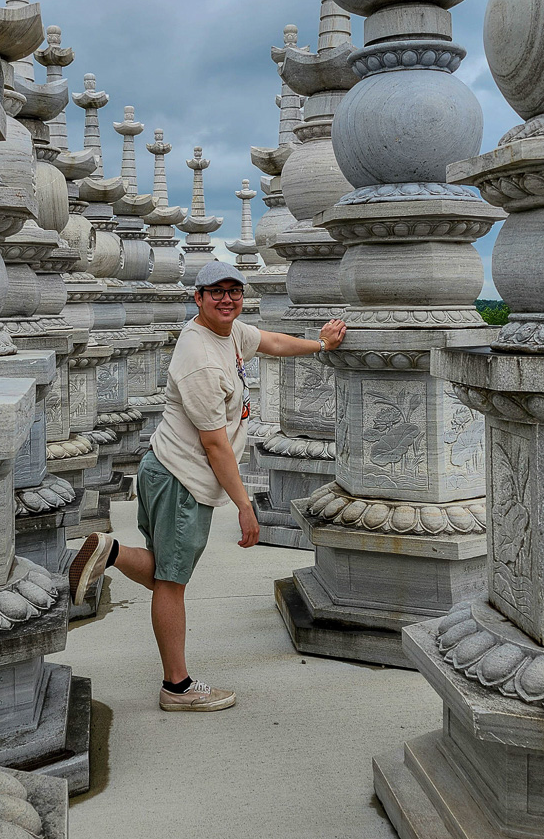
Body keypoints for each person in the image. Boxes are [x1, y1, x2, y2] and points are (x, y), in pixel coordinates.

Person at [69, 262, 346, 711]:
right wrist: (244, 505)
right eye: (215, 292)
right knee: (172, 583)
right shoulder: (198, 356)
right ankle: (176, 688)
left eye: (234, 291)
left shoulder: (230, 333)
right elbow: (215, 444)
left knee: (165, 571)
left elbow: (271, 341)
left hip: (168, 472)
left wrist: (320, 344)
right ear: (197, 299)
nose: (226, 299)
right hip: (183, 481)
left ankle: (110, 552)